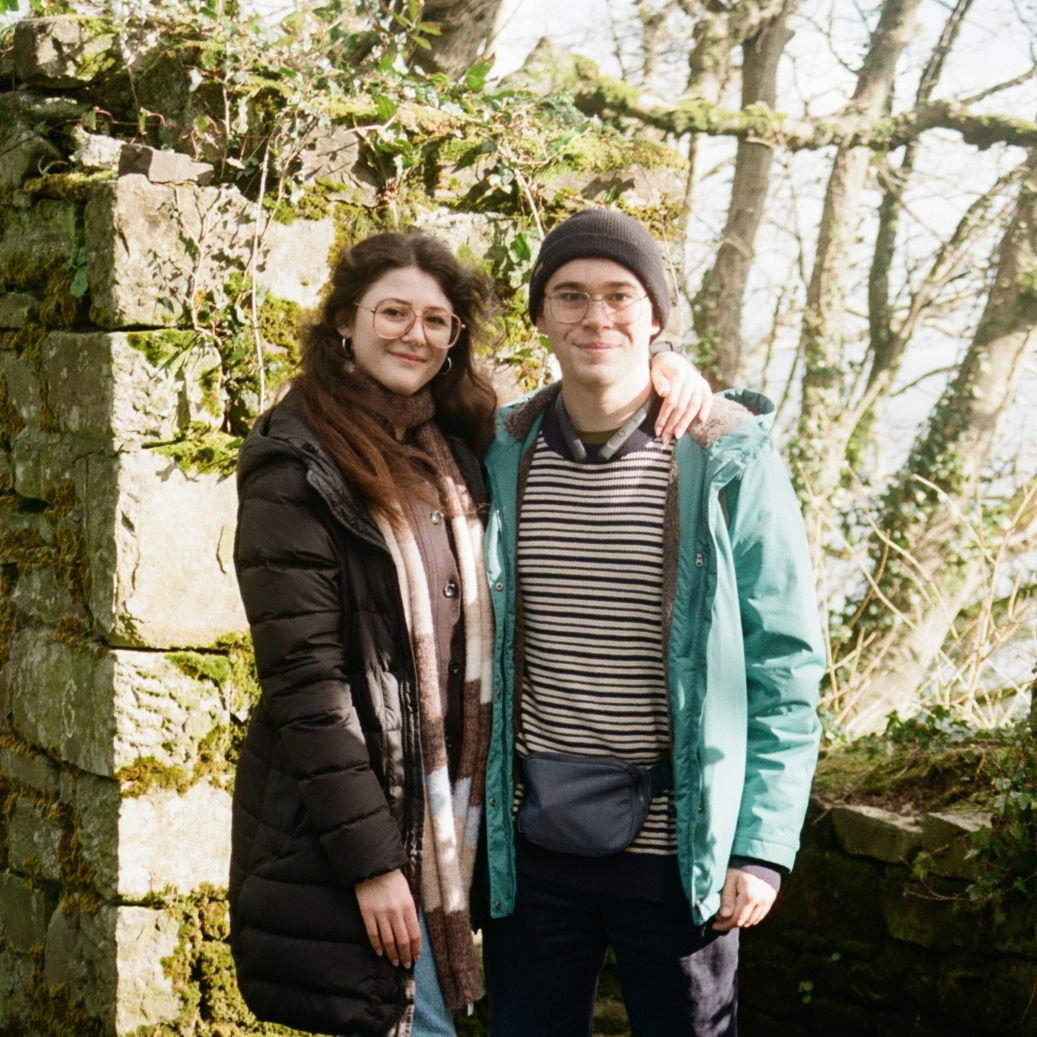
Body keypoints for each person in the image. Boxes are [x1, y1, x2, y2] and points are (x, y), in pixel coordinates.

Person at [227, 228, 710, 1037]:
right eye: (392, 312)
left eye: (436, 320)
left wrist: (663, 370)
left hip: (446, 825)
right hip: (356, 832)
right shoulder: (297, 463)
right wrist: (372, 863)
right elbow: (306, 687)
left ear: (455, 340)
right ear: (344, 321)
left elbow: (591, 391)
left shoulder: (455, 443)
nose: (413, 334)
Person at [480, 208, 825, 1037]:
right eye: (568, 296)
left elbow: (784, 661)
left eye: (619, 295)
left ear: (656, 316)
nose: (594, 317)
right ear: (538, 318)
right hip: (533, 847)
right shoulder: (499, 448)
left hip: (682, 850)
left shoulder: (724, 454)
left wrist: (760, 847)